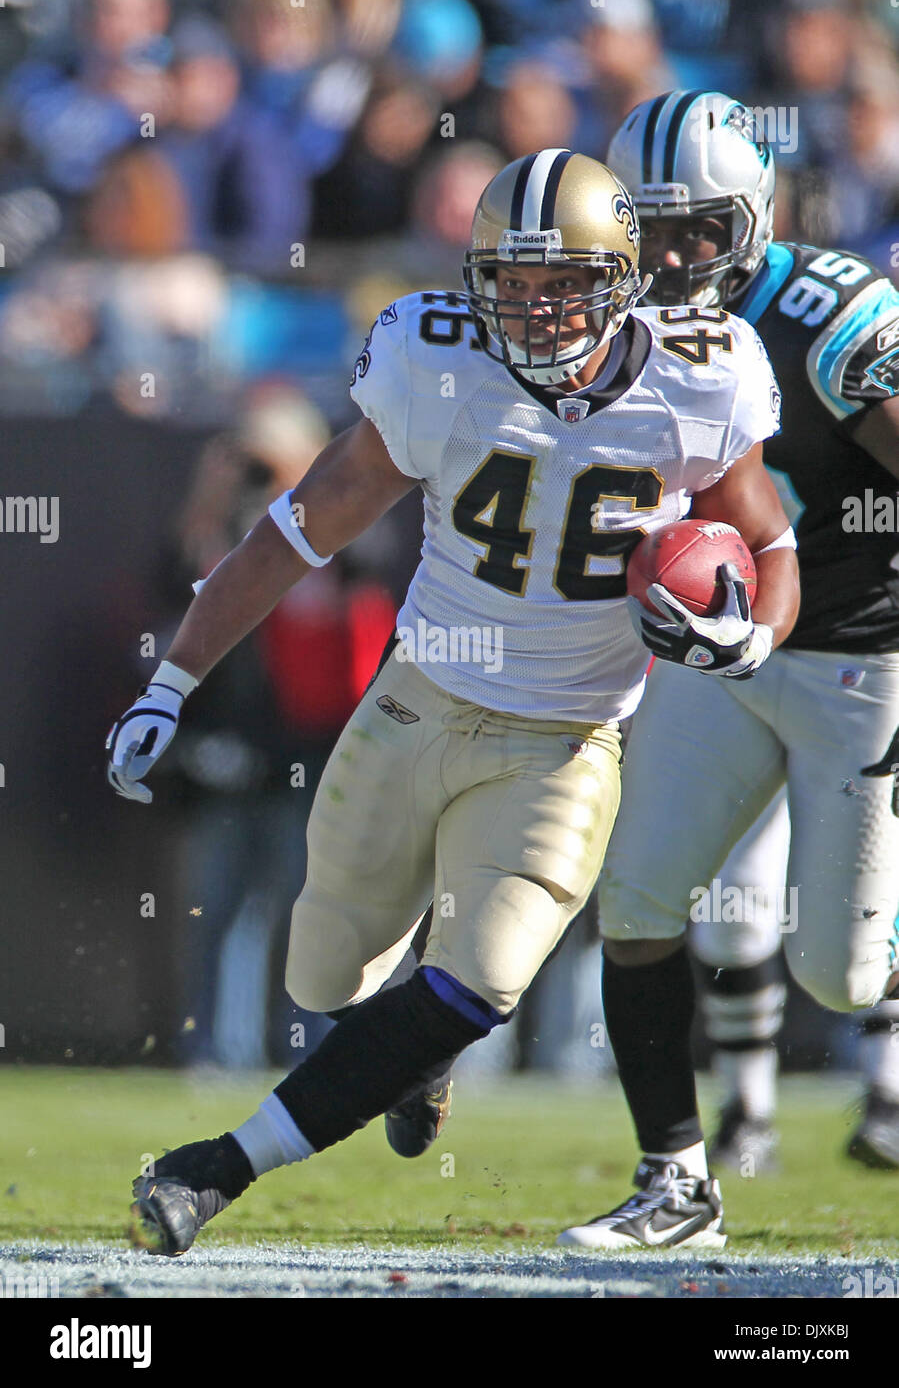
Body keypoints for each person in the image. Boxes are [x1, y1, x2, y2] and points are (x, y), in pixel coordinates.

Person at [106, 147, 795, 1256]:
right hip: (413, 706)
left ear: (619, 279)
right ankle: (405, 1062)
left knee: (482, 981)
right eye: (508, 283)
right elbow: (299, 527)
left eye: (561, 281)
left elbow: (769, 541)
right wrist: (172, 678)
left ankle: (214, 1170)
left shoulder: (701, 374)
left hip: (562, 744)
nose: (531, 309)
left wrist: (751, 633)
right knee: (324, 970)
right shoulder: (435, 355)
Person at [557, 90, 899, 1251]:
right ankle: (675, 1184)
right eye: (644, 231)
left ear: (752, 216)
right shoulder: (603, 321)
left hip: (860, 658)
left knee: (842, 975)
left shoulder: (827, 316)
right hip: (724, 654)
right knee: (639, 899)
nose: (668, 257)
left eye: (696, 229)